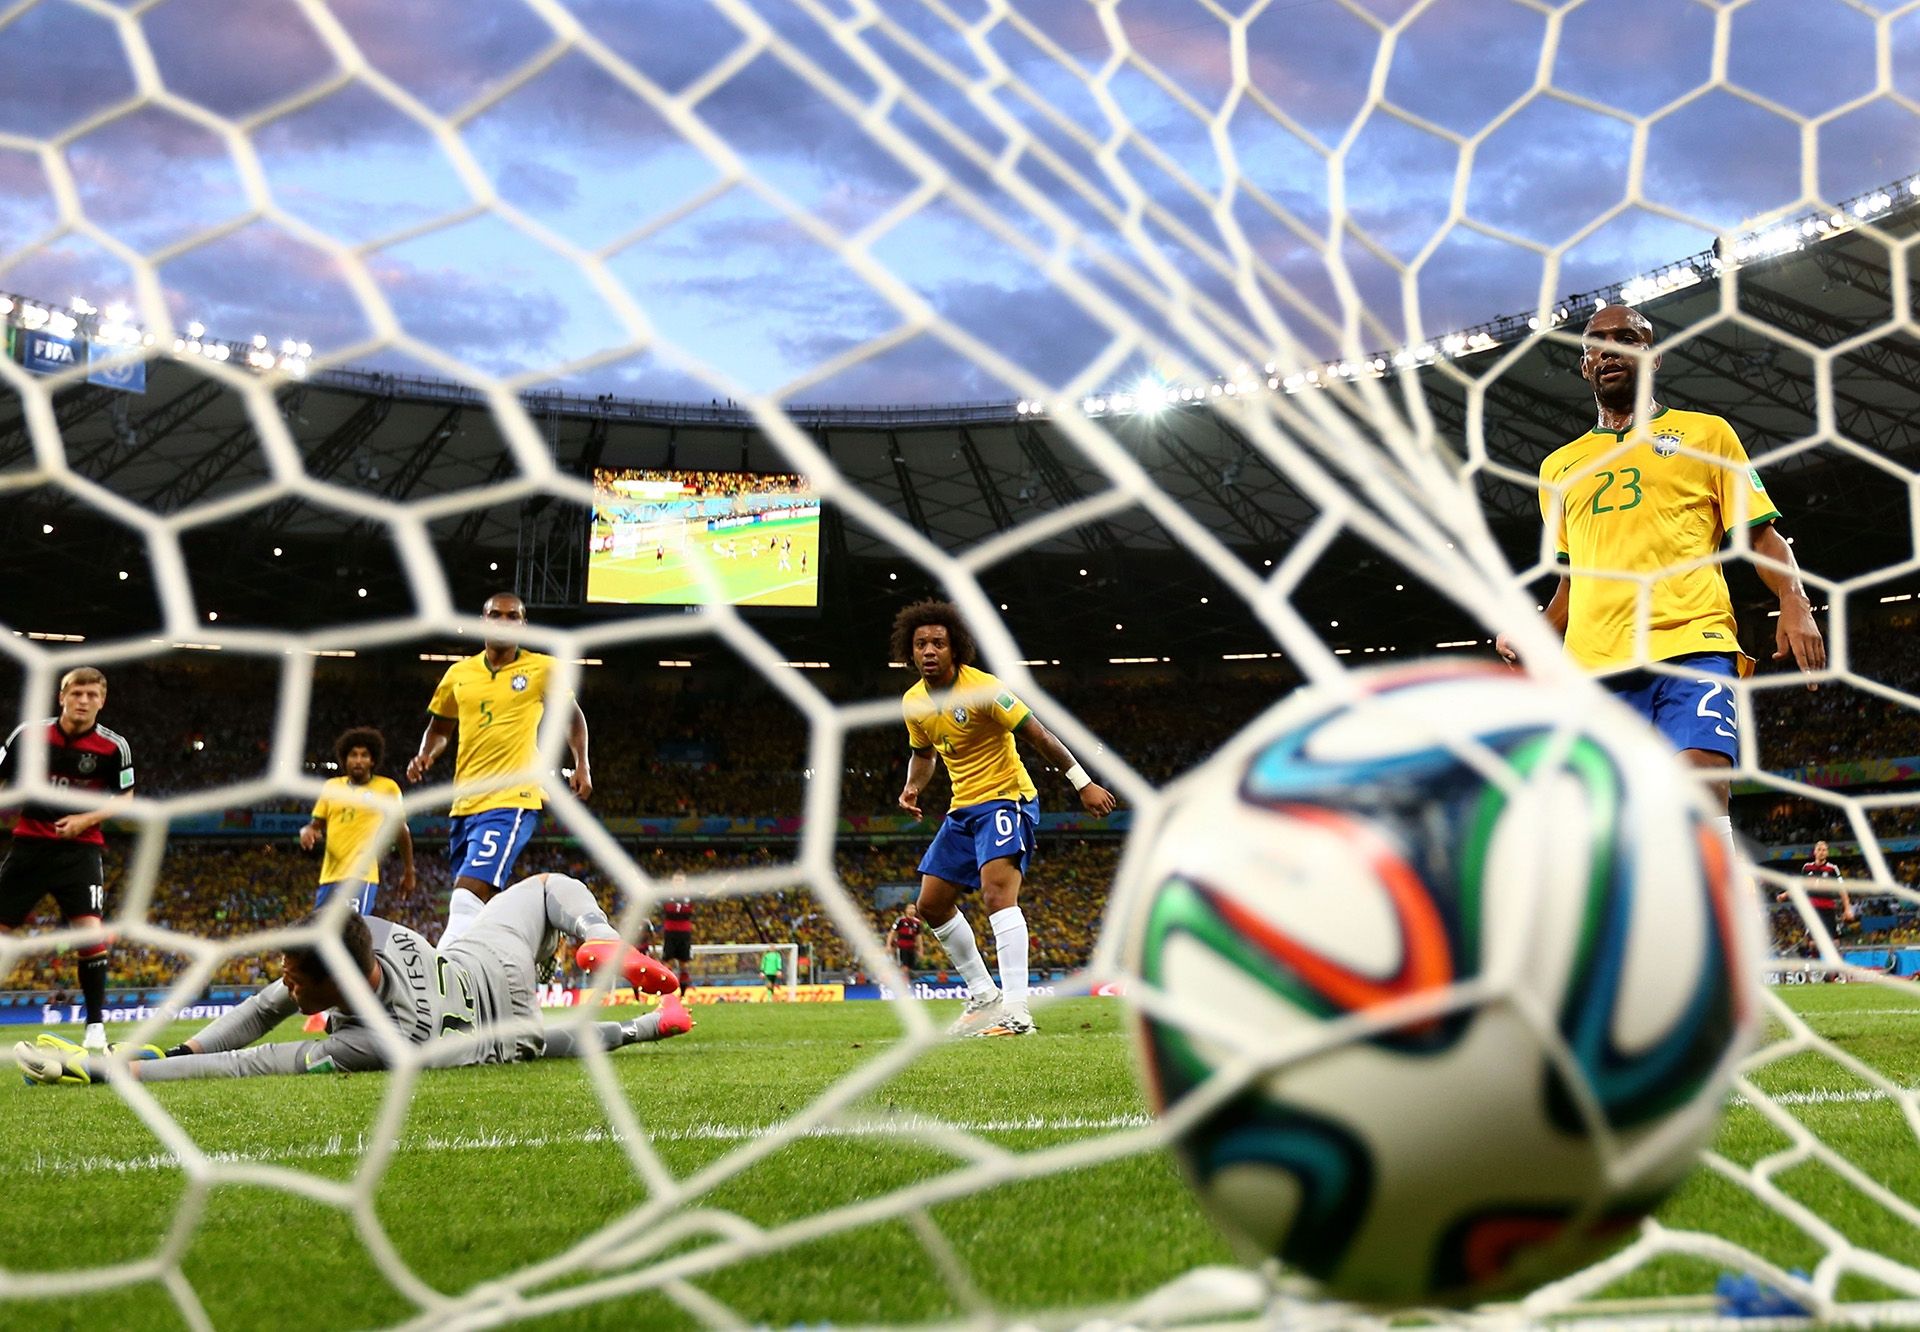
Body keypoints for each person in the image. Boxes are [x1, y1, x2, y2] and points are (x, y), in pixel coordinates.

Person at [1496, 304, 1825, 845]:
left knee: (1700, 781)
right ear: (1585, 366)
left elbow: (1760, 535)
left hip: (1692, 642)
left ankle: (1715, 903)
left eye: (1627, 337)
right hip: (1595, 665)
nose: (1611, 348)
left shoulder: (1706, 435)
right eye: (1597, 342)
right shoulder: (1557, 469)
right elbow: (1572, 583)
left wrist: (1795, 599)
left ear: (1653, 355)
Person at [15, 872, 686, 1084]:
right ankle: (601, 936)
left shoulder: (380, 1042)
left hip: (505, 1023)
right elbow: (268, 1006)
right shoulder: (373, 931)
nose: (283, 980)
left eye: (293, 973)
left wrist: (122, 1072)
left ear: (337, 982)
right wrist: (177, 1049)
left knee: (539, 1042)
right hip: (489, 960)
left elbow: (255, 1060)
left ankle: (636, 1016)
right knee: (545, 887)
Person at [892, 599, 1117, 1037]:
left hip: (1005, 799)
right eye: (921, 644)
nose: (930, 651)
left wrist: (1082, 783)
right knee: (931, 904)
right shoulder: (913, 702)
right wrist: (913, 786)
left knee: (997, 898)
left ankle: (1017, 1012)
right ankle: (984, 997)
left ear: (955, 648)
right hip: (963, 809)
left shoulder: (985, 689)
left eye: (938, 642)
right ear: (910, 651)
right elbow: (924, 755)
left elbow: (1039, 735)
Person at [406, 593, 592, 946]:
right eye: (496, 615)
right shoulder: (458, 674)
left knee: (466, 898)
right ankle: (532, 954)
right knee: (480, 906)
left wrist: (581, 763)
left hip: (513, 798)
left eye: (512, 616)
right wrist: (425, 754)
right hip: (464, 805)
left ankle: (437, 979)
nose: (503, 622)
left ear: (522, 624)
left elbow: (573, 717)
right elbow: (440, 728)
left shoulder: (543, 668)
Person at [0, 667, 135, 1054]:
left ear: (102, 701)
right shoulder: (29, 734)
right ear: (62, 696)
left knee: (90, 936)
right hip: (28, 846)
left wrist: (84, 820)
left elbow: (124, 798)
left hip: (81, 851)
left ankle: (95, 1027)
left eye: (93, 695)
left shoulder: (114, 747)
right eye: (77, 693)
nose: (84, 701)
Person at [300, 727, 414, 917]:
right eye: (353, 755)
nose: (358, 760)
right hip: (329, 877)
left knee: (350, 934)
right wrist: (307, 831)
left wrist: (409, 870)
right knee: (321, 940)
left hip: (361, 876)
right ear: (345, 759)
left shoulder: (387, 788)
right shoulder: (331, 787)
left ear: (373, 760)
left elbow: (400, 830)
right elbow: (315, 825)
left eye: (364, 755)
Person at [1780, 839, 1854, 946]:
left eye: (1824, 850)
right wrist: (1785, 894)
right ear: (1814, 852)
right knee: (1812, 943)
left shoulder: (1832, 869)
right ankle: (1814, 961)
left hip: (1828, 908)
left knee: (1835, 941)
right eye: (1819, 849)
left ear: (1827, 853)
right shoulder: (1807, 867)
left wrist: (1847, 908)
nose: (1821, 852)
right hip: (1813, 909)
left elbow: (1842, 889)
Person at [659, 874, 694, 994]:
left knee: (684, 963)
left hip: (684, 932)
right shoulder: (666, 894)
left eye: (681, 880)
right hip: (670, 932)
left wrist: (725, 884)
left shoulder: (691, 894)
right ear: (672, 882)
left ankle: (683, 995)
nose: (678, 882)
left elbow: (708, 894)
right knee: (667, 962)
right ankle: (666, 993)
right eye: (676, 880)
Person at [891, 902, 921, 974]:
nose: (912, 910)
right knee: (904, 967)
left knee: (910, 967)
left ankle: (908, 982)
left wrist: (920, 948)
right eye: (910, 908)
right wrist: (889, 944)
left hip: (911, 947)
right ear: (906, 910)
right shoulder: (900, 920)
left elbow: (918, 936)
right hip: (901, 947)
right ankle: (901, 982)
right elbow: (892, 932)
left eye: (914, 908)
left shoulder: (917, 922)